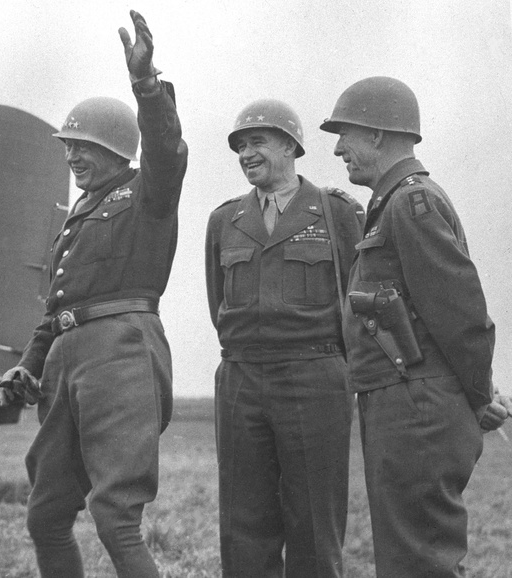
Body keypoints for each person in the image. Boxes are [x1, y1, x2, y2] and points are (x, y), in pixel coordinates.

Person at [0, 10, 187, 578]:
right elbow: (56, 308)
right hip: (67, 361)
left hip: (120, 357)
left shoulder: (148, 192)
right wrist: (29, 364)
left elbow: (167, 149)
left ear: (116, 150)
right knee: (46, 516)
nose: (72, 155)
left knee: (115, 519)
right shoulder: (78, 213)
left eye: (83, 145)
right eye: (68, 145)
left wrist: (146, 85)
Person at [320, 76, 511, 577]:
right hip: (403, 406)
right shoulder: (394, 203)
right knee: (408, 560)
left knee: (419, 563)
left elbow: (462, 315)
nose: (338, 149)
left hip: (416, 413)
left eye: (345, 134)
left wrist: (479, 397)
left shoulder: (410, 203)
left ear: (377, 134)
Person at [205, 100, 364, 577]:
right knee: (242, 522)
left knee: (314, 521)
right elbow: (218, 303)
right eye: (240, 146)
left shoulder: (336, 212)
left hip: (315, 376)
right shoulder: (224, 220)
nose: (246, 154)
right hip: (240, 378)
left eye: (257, 142)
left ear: (291, 147)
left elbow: (356, 296)